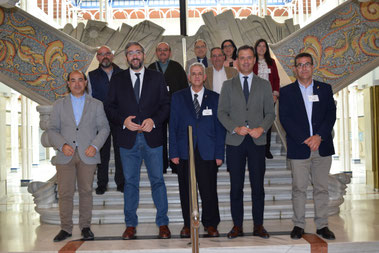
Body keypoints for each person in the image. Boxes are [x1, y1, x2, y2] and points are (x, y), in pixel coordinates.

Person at [105, 42, 171, 240]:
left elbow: (166, 105)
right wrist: (123, 121)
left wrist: (155, 120)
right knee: (130, 183)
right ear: (126, 57)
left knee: (158, 181)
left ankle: (163, 224)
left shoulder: (157, 77)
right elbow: (109, 107)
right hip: (127, 140)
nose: (135, 56)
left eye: (138, 52)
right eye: (131, 53)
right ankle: (130, 225)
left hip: (153, 138)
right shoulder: (117, 80)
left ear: (144, 55)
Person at [218, 45, 275, 239]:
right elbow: (221, 113)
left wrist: (262, 128)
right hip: (235, 142)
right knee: (236, 187)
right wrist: (235, 127)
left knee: (258, 186)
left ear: (254, 60)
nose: (245, 61)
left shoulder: (264, 85)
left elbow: (270, 113)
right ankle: (237, 225)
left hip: (257, 141)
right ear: (237, 60)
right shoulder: (228, 85)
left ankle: (258, 225)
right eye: (242, 58)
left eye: (249, 58)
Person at [279, 52, 336, 240]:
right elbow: (285, 119)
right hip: (299, 146)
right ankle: (298, 225)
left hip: (322, 146)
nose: (303, 68)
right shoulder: (287, 92)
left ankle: (322, 225)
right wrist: (306, 138)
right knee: (299, 188)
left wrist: (319, 136)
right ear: (294, 69)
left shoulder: (325, 89)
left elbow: (330, 116)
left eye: (307, 64)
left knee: (321, 187)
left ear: (313, 67)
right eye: (300, 65)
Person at [48, 70, 110, 242]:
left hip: (87, 154)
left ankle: (85, 227)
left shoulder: (96, 104)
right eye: (73, 80)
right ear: (68, 83)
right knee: (65, 193)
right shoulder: (59, 104)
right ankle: (66, 228)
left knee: (86, 192)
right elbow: (52, 129)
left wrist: (95, 146)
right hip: (65, 154)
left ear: (85, 82)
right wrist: (62, 145)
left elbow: (104, 128)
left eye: (80, 80)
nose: (77, 83)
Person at [169, 62, 226, 238]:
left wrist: (219, 154)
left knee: (209, 190)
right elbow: (173, 125)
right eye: (193, 73)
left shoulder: (215, 97)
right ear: (188, 77)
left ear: (205, 76)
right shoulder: (178, 97)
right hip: (185, 151)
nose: (196, 76)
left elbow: (220, 128)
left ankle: (210, 224)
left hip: (207, 151)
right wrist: (174, 153)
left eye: (199, 73)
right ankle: (188, 224)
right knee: (186, 190)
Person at [88, 45, 125, 194]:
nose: (105, 56)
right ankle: (102, 183)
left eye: (107, 53)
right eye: (101, 54)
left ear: (112, 55)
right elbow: (89, 99)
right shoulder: (91, 76)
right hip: (100, 120)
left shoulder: (123, 74)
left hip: (119, 118)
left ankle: (121, 182)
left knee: (120, 151)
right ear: (97, 57)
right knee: (102, 152)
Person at [148, 42, 188, 173]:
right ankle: (162, 165)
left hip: (175, 108)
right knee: (159, 137)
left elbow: (184, 88)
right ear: (156, 52)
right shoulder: (151, 68)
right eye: (160, 50)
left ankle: (176, 165)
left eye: (165, 50)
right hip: (157, 109)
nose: (162, 52)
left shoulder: (177, 67)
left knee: (176, 136)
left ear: (170, 52)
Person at [253, 39, 280, 159]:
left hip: (269, 97)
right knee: (255, 123)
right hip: (254, 97)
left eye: (264, 46)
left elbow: (276, 79)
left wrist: (275, 94)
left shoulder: (272, 62)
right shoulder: (252, 61)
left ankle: (266, 149)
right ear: (256, 47)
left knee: (267, 124)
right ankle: (256, 148)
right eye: (259, 45)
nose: (261, 48)